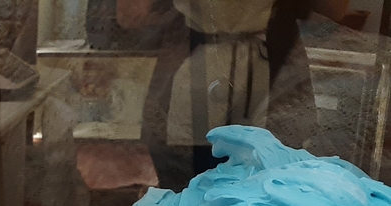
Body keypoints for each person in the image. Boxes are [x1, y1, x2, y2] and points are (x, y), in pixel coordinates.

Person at [119, 0, 348, 188]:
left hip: (268, 59)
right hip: (204, 58)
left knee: (259, 180)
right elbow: (334, 9)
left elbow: (132, 14)